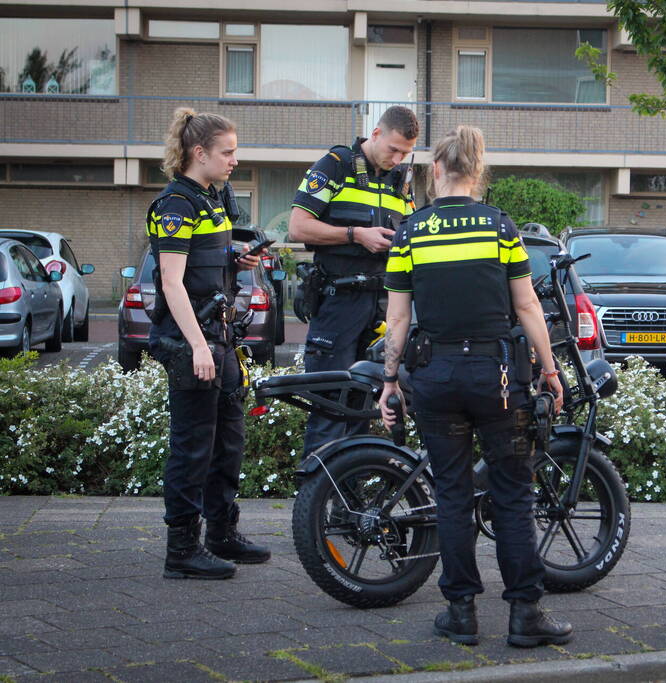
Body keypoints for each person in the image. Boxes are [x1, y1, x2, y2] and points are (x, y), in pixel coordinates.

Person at [378, 126, 571, 649]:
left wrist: (390, 381)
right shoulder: (500, 227)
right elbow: (527, 305)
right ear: (477, 172)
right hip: (498, 379)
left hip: (436, 378)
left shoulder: (410, 233)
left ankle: (460, 613)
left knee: (452, 495)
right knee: (512, 494)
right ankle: (525, 615)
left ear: (436, 170)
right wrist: (551, 371)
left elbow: (398, 320)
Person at [148, 107, 271, 579]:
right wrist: (198, 346)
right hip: (192, 340)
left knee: (227, 442)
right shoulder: (175, 205)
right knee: (193, 446)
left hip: (220, 336)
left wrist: (237, 261)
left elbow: (205, 264)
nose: (234, 160)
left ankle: (221, 533)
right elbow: (172, 282)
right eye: (228, 152)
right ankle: (181, 551)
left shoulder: (211, 199)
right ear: (199, 153)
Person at [288, 106, 418, 455]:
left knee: (362, 411)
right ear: (375, 134)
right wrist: (356, 235)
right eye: (393, 149)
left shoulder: (400, 180)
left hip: (380, 307)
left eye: (405, 153)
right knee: (330, 410)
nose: (398, 159)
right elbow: (297, 227)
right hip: (338, 302)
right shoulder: (335, 165)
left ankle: (351, 490)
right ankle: (316, 490)